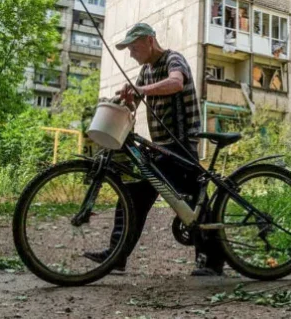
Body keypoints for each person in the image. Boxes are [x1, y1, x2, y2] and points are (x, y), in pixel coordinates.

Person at [84, 22, 225, 277]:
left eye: (133, 46)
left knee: (194, 202)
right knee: (133, 194)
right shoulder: (146, 70)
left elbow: (175, 83)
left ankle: (212, 262)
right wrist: (120, 101)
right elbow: (136, 98)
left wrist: (142, 90)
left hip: (182, 145)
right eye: (127, 48)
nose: (131, 52)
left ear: (149, 40)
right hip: (162, 147)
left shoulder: (173, 59)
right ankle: (117, 256)